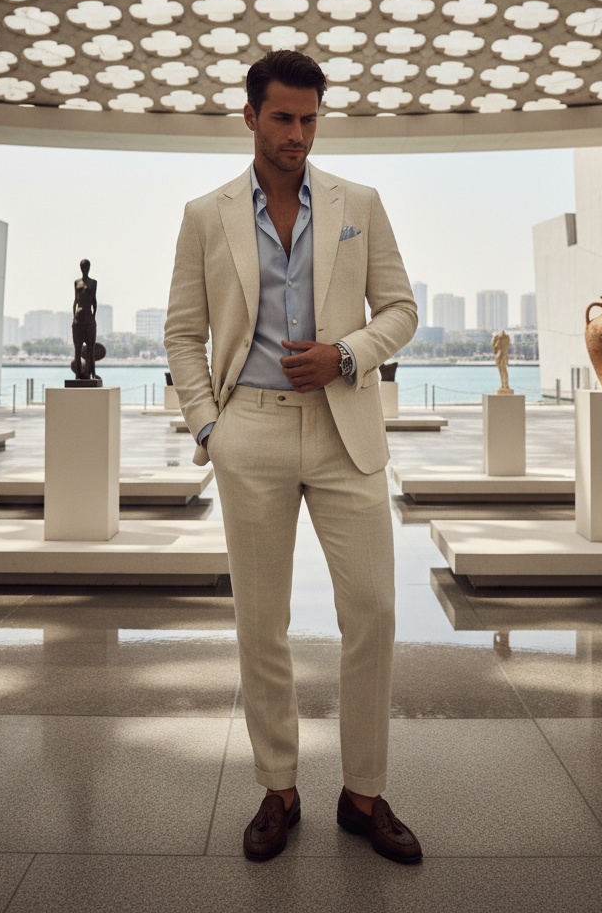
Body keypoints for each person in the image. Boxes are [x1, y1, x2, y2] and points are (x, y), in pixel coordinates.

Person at [164, 50, 420, 863]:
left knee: (374, 610)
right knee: (261, 622)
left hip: (345, 428)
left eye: (310, 119)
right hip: (254, 432)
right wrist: (211, 426)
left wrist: (347, 353)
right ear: (250, 115)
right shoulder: (206, 215)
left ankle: (364, 795)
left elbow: (402, 309)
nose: (298, 134)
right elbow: (182, 333)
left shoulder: (360, 203)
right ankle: (278, 788)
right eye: (283, 117)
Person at [71, 258, 98, 381]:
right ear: (81, 268)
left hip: (89, 318)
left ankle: (92, 373)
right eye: (83, 267)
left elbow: (94, 301)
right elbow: (75, 301)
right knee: (77, 349)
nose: (85, 269)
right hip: (78, 319)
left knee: (90, 349)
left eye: (87, 267)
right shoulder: (76, 282)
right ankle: (78, 374)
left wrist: (93, 317)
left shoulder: (93, 282)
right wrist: (74, 317)